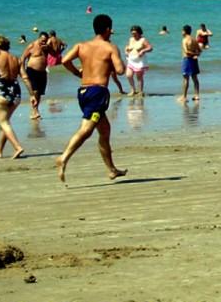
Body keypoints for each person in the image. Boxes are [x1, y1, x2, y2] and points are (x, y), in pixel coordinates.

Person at [55, 14, 127, 181]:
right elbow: (121, 71)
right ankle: (63, 158)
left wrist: (77, 72)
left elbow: (65, 60)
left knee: (104, 130)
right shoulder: (110, 47)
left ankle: (111, 169)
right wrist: (117, 62)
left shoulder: (81, 45)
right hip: (98, 93)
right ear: (108, 29)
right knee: (86, 129)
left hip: (83, 91)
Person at [0, 35, 34, 159]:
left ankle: (17, 147)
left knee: (4, 122)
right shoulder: (16, 59)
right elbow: (25, 77)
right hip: (15, 93)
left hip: (0, 92)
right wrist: (32, 95)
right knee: (5, 122)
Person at [20, 31, 50, 119]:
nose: (44, 42)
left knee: (39, 93)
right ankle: (34, 111)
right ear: (39, 38)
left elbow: (57, 53)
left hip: (42, 72)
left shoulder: (47, 48)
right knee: (35, 92)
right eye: (42, 40)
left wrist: (48, 47)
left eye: (46, 41)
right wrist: (21, 71)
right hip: (32, 71)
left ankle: (35, 110)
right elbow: (23, 58)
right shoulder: (31, 46)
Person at [123, 25, 153, 96]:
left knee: (139, 77)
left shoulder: (143, 40)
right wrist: (126, 50)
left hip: (139, 61)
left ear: (139, 33)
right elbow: (127, 46)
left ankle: (140, 91)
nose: (134, 35)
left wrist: (143, 50)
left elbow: (150, 48)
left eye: (135, 33)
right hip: (131, 59)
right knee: (128, 75)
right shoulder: (131, 39)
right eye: (132, 33)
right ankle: (133, 90)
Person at [179, 24, 202, 102]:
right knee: (195, 78)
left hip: (187, 59)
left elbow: (186, 52)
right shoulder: (194, 40)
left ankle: (184, 96)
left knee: (186, 79)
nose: (181, 32)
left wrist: (193, 54)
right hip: (194, 60)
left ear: (184, 31)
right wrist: (196, 55)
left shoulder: (184, 40)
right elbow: (200, 50)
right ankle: (197, 95)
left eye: (182, 31)